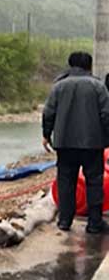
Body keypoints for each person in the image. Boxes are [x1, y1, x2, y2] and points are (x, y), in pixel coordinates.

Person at [42, 51, 109, 233]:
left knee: (66, 181)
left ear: (70, 65)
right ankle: (94, 223)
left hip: (65, 143)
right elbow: (106, 115)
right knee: (94, 182)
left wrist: (46, 135)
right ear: (89, 66)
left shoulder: (59, 86)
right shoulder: (98, 86)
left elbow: (48, 112)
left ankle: (65, 221)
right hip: (93, 143)